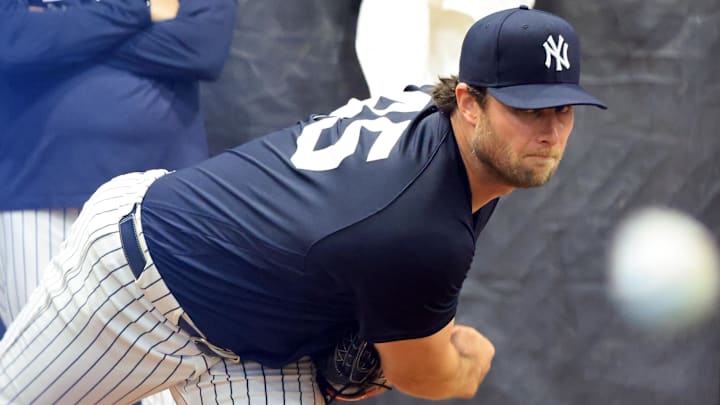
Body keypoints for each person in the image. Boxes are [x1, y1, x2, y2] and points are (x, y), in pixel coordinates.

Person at [0, 6, 605, 404]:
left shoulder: (439, 116)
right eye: (527, 108)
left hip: (256, 348)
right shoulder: (422, 223)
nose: (549, 130)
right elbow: (422, 373)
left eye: (562, 108)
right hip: (138, 281)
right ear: (470, 101)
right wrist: (466, 361)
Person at [0, 0, 236, 331]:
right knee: (35, 362)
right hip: (36, 188)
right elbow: (12, 41)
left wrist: (64, 36)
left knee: (163, 361)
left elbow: (204, 45)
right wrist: (140, 11)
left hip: (159, 194)